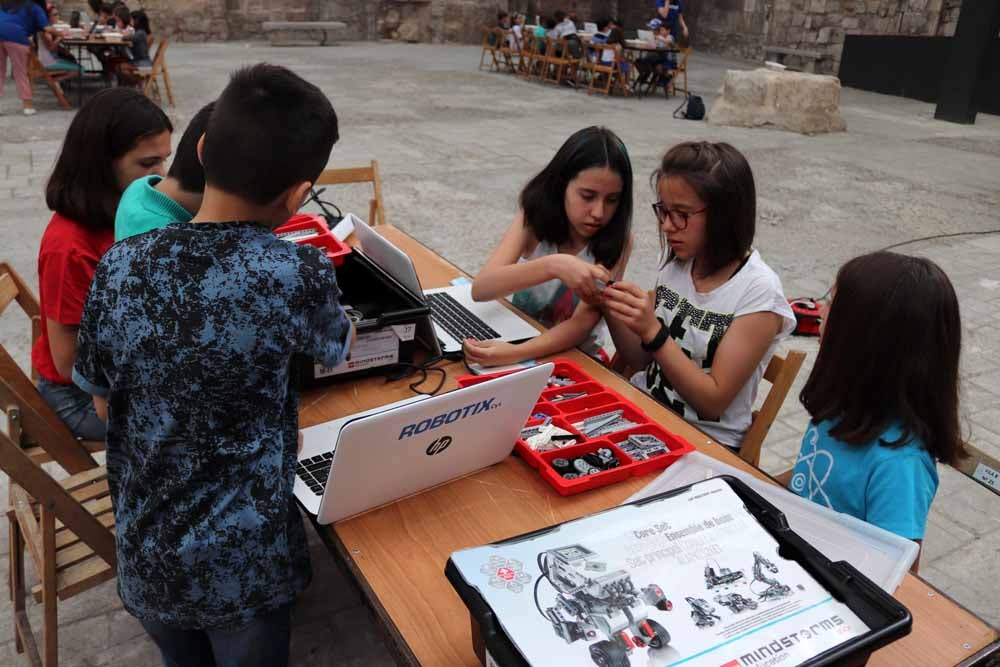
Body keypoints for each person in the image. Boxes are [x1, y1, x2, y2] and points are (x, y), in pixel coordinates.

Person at [73, 63, 354, 667]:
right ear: (298, 194)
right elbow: (336, 348)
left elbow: (100, 397)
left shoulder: (120, 264)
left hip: (147, 548)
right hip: (244, 567)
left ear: (200, 148)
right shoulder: (295, 272)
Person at [601, 141, 795, 450]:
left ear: (725, 215)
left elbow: (712, 401)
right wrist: (608, 303)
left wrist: (653, 331)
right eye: (663, 211)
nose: (667, 226)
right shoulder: (678, 267)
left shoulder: (758, 292)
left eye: (681, 214)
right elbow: (640, 361)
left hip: (704, 443)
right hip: (643, 414)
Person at [788, 252, 964, 563]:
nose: (820, 311)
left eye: (831, 303)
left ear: (864, 338)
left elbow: (896, 579)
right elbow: (813, 480)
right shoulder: (842, 408)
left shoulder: (900, 465)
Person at [33, 88, 172, 440]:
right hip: (79, 396)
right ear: (100, 163)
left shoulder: (125, 210)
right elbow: (67, 362)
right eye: (147, 164)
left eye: (163, 160)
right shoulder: (69, 246)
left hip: (121, 378)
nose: (161, 176)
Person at [465, 126, 633, 368]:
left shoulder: (619, 240)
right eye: (587, 196)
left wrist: (514, 354)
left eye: (612, 200)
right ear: (561, 185)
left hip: (573, 360)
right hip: (516, 340)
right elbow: (481, 288)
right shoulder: (534, 217)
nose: (598, 212)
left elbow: (581, 325)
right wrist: (554, 265)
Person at [115, 101, 215, 240]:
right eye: (147, 163)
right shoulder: (168, 242)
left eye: (165, 159)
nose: (162, 173)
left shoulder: (139, 188)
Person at [0, 0, 54, 115]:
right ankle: (28, 107)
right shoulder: (34, 7)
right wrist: (63, 33)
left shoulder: (5, 4)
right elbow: (47, 29)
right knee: (20, 72)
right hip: (17, 37)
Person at [38, 4, 82, 75]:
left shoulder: (49, 27)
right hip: (48, 62)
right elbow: (51, 48)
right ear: (48, 17)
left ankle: (57, 81)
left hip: (51, 59)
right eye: (55, 15)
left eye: (58, 14)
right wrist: (60, 36)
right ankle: (55, 83)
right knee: (80, 70)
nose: (58, 16)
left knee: (72, 60)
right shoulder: (46, 31)